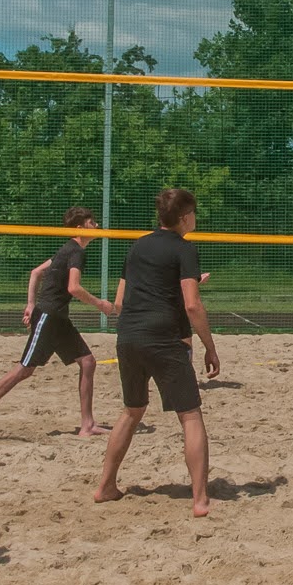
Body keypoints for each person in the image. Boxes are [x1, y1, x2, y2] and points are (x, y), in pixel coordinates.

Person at [94, 187, 220, 517]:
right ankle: (199, 499)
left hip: (128, 337)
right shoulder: (185, 249)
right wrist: (210, 347)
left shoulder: (137, 247)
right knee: (191, 416)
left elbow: (120, 303)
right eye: (194, 213)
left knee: (132, 410)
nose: (196, 218)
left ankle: (106, 486)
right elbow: (192, 305)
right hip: (164, 338)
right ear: (183, 218)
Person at [0, 207, 118, 439]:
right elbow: (73, 288)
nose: (96, 225)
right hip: (49, 316)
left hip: (57, 317)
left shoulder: (66, 250)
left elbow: (35, 272)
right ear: (79, 228)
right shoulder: (75, 251)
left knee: (88, 363)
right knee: (25, 369)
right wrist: (101, 304)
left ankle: (87, 425)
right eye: (92, 222)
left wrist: (30, 304)